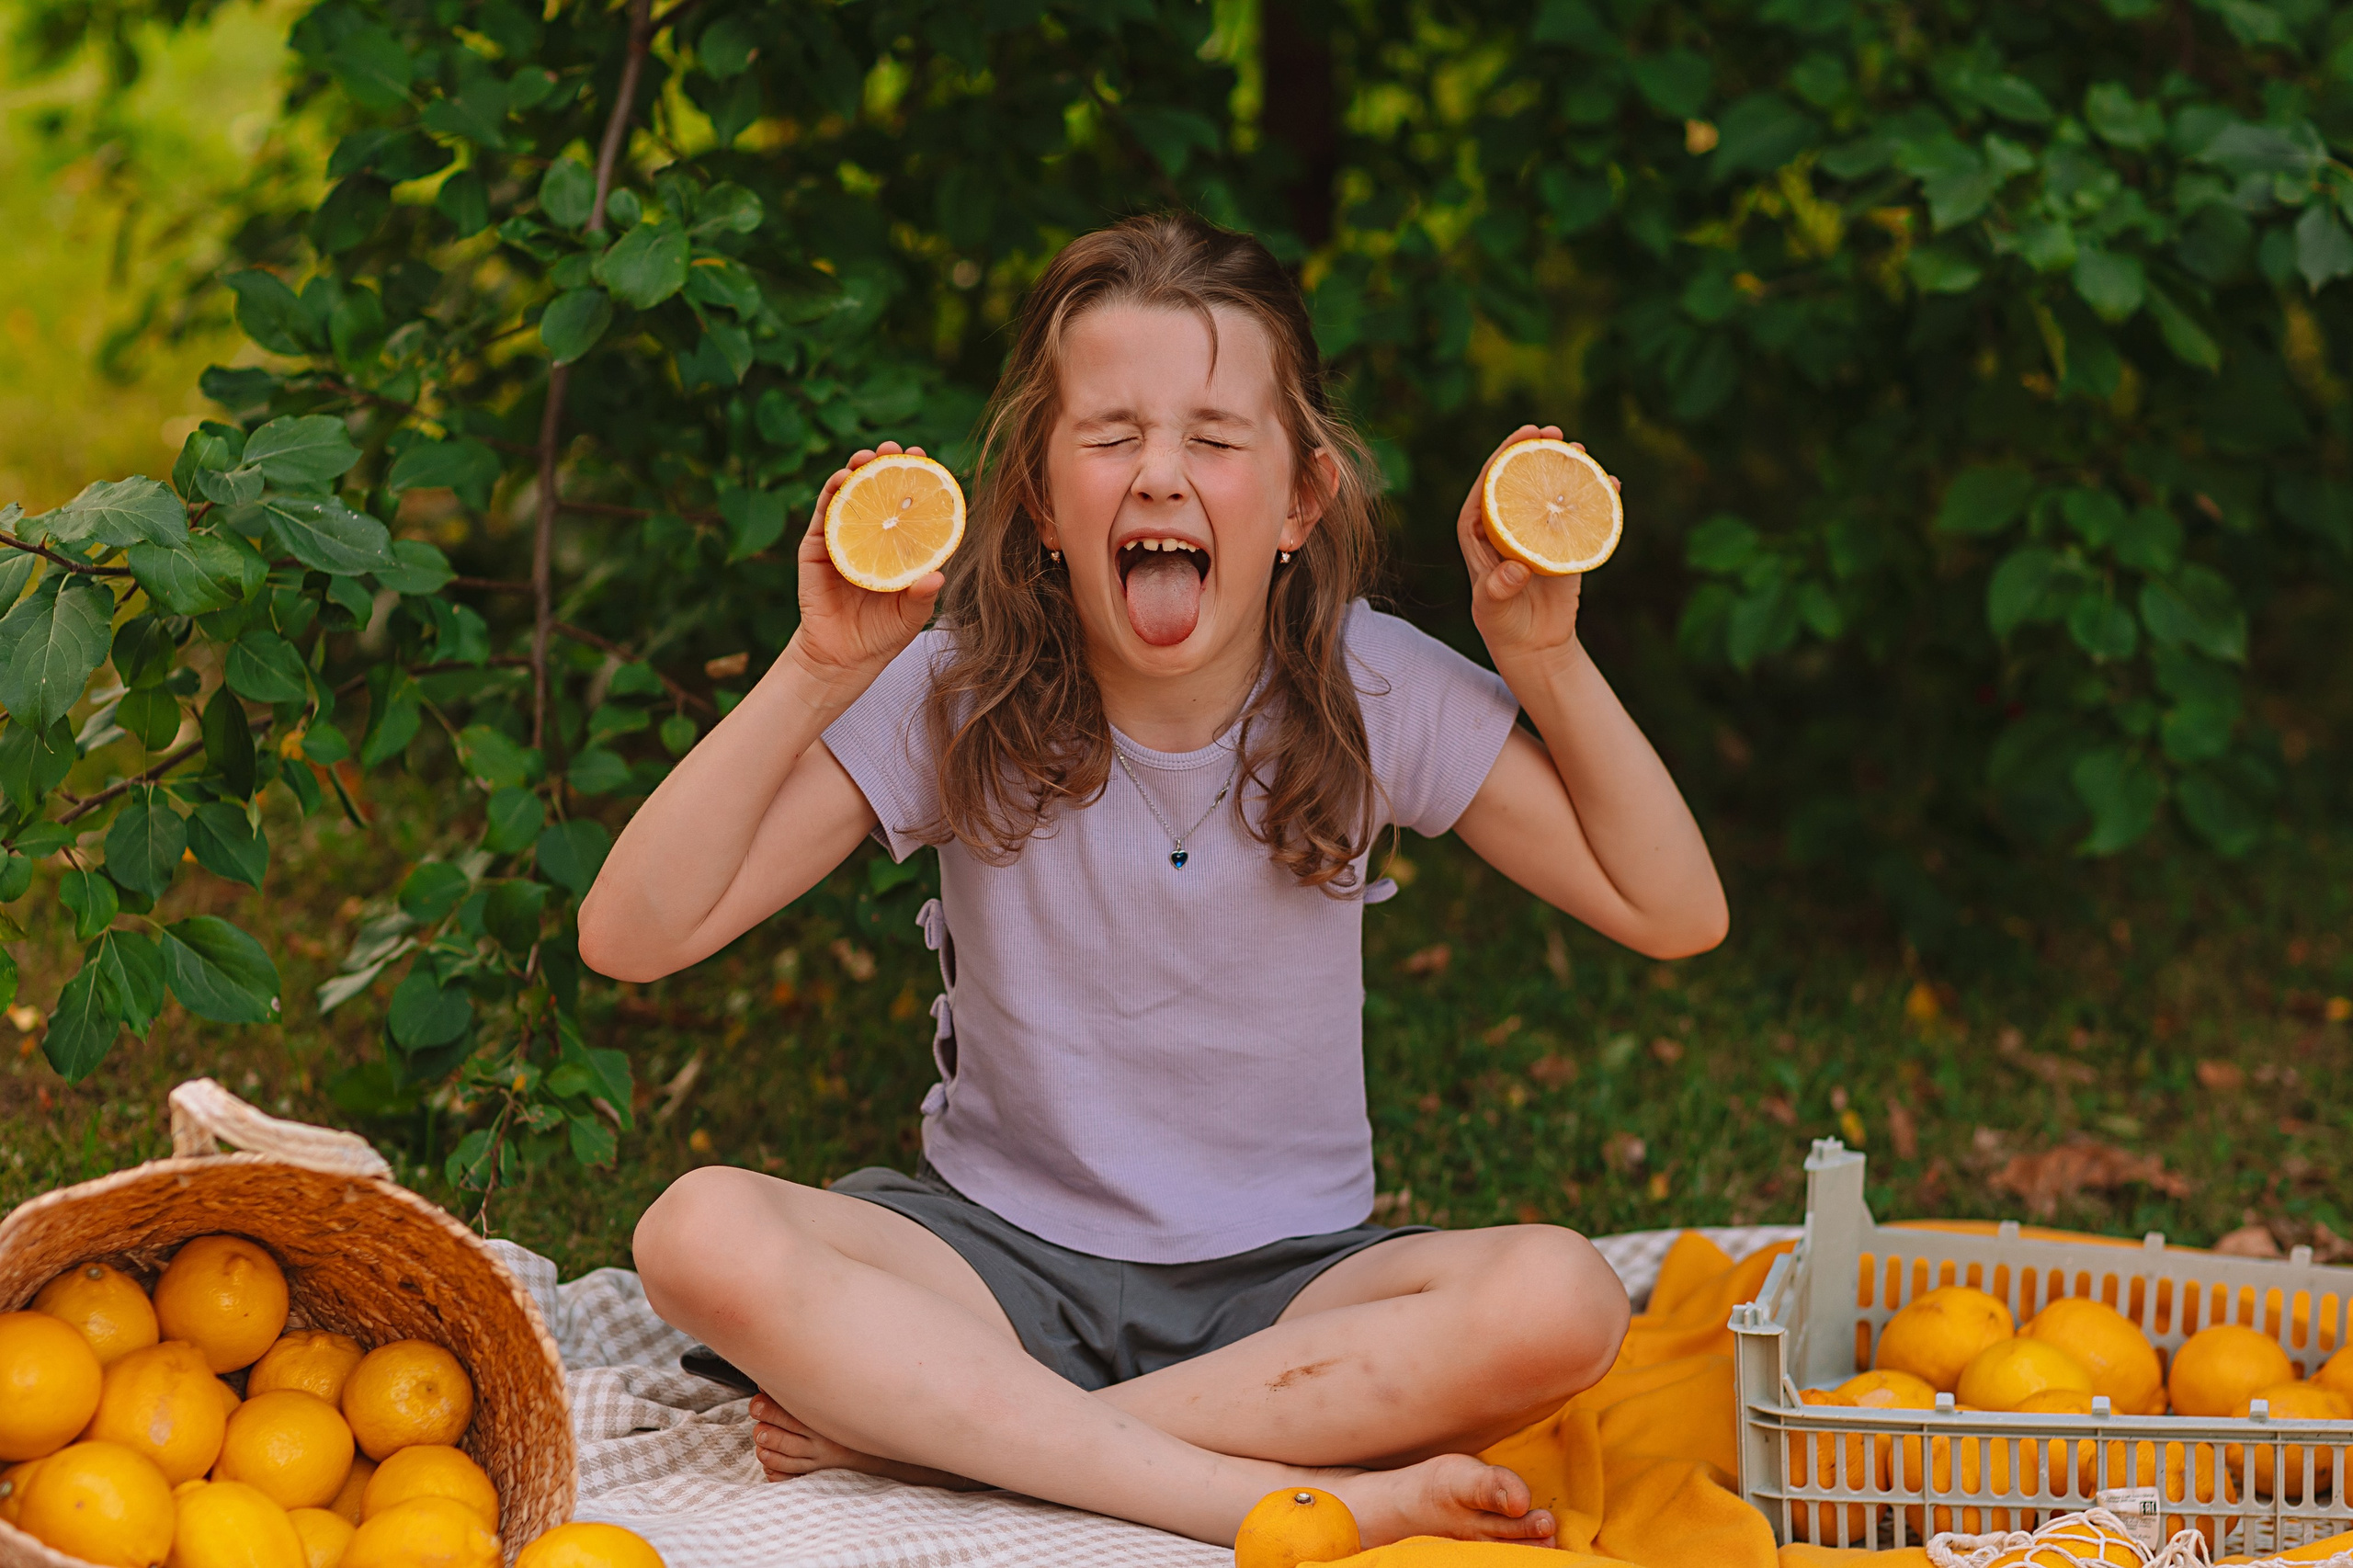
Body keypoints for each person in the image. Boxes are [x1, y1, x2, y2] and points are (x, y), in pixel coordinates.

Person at [577, 211, 1727, 1550]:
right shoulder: (957, 687)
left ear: (1299, 502)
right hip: (992, 1263)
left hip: (1285, 1291)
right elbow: (630, 933)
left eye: (1216, 439)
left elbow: (1674, 909)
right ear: (1038, 502)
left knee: (1563, 1298)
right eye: (1112, 436)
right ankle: (1273, 1487)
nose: (1162, 476)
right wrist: (822, 666)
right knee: (696, 1231)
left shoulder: (1370, 684)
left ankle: (969, 1436)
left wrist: (1542, 655)